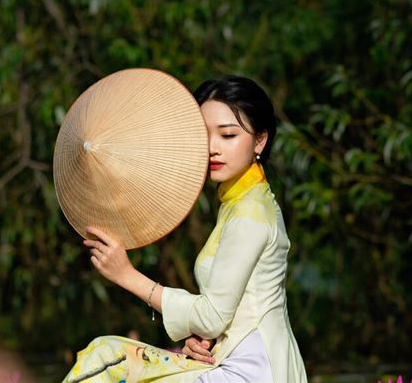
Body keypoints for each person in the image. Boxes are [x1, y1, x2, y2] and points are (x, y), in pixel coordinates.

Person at [62, 76, 307, 383]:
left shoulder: (251, 212)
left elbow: (212, 316)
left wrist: (126, 275)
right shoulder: (240, 202)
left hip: (253, 371)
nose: (212, 148)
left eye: (228, 135)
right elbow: (225, 313)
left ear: (260, 141)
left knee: (109, 361)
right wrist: (206, 339)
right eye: (204, 135)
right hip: (236, 360)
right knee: (109, 357)